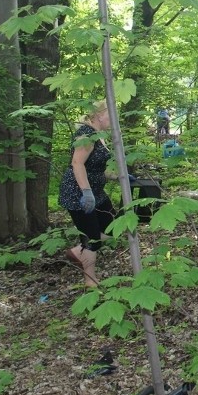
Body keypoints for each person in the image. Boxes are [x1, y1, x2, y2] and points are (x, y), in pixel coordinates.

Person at [58, 101, 115, 287]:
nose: (114, 119)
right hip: (79, 193)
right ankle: (90, 281)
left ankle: (77, 252)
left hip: (97, 191)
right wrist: (86, 192)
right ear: (99, 115)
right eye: (110, 114)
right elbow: (77, 163)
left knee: (114, 226)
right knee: (92, 238)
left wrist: (120, 176)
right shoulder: (86, 134)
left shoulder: (100, 135)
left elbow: (96, 167)